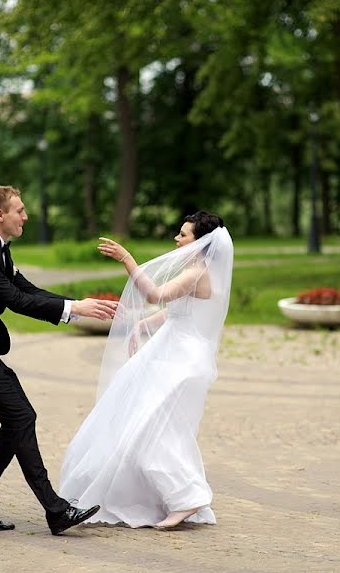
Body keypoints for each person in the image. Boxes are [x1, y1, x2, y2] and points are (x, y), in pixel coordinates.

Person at [0, 185, 118, 535]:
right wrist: (73, 309)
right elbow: (14, 299)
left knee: (17, 418)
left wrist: (76, 305)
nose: (26, 216)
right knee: (20, 416)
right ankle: (54, 509)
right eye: (19, 210)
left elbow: (27, 288)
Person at [59, 211, 233, 529]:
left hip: (181, 361)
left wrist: (126, 258)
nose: (177, 239)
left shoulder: (197, 272)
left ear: (201, 241)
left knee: (153, 428)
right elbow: (178, 312)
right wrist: (143, 322)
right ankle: (179, 496)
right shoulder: (194, 271)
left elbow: (156, 295)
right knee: (151, 428)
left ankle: (187, 498)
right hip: (171, 354)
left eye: (183, 234)